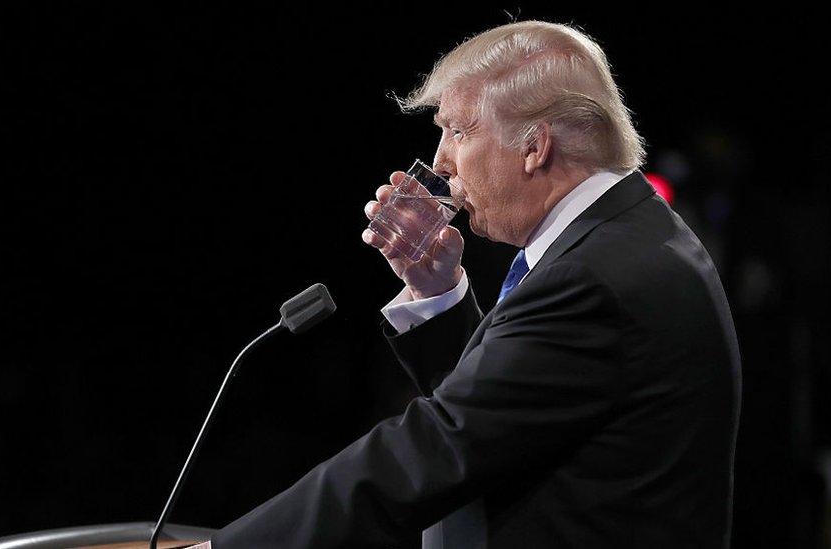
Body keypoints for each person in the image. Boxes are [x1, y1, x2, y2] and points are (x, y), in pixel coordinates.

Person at [203, 20, 741, 548]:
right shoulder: (620, 238)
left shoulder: (594, 278)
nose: (440, 160)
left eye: (458, 131)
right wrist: (438, 294)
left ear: (535, 147)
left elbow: (442, 445)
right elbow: (508, 417)